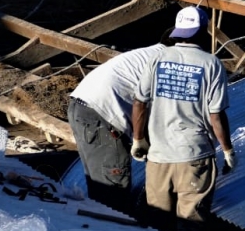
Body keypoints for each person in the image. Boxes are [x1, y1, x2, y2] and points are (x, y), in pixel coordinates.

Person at [131, 6, 235, 231]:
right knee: (191, 227)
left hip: (159, 158)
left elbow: (139, 103)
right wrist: (228, 151)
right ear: (203, 31)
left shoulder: (157, 58)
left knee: (157, 226)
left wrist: (138, 139)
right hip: (194, 156)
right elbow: (216, 115)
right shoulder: (211, 63)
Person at [67, 38, 169, 213]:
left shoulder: (146, 53)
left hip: (80, 106)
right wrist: (141, 140)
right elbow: (148, 108)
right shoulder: (168, 62)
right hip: (101, 116)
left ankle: (98, 226)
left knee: (98, 181)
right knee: (112, 189)